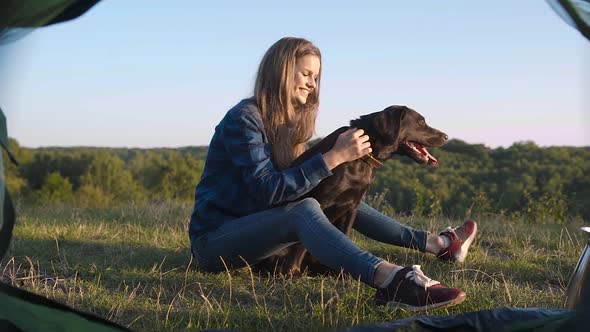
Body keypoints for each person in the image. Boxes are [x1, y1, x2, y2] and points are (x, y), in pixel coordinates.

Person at [189, 37, 478, 311]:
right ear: (282, 71)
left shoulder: (287, 123)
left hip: (257, 232)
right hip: (215, 241)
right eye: (305, 74)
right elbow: (268, 192)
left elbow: (291, 191)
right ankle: (390, 280)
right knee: (304, 208)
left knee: (345, 198)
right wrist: (333, 157)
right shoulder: (245, 119)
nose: (312, 85)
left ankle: (440, 244)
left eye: (316, 78)